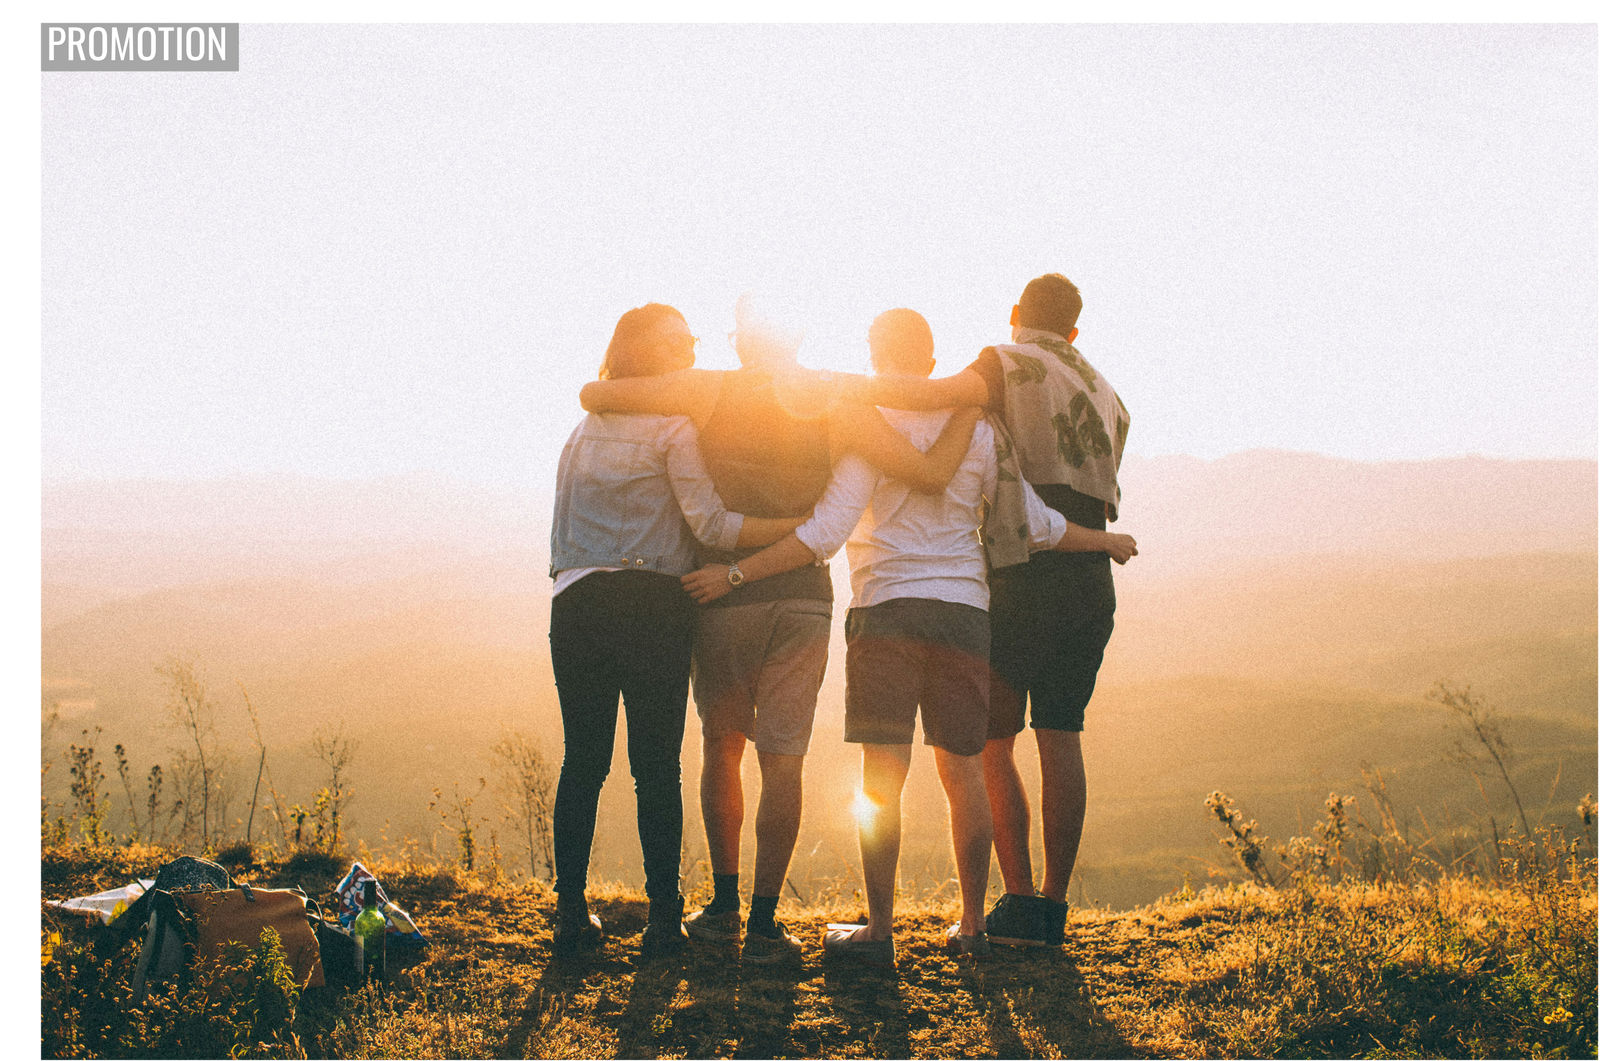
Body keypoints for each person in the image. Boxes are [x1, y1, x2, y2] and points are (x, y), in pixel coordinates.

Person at [682, 308, 1136, 968]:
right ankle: (974, 925)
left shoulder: (867, 426)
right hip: (964, 615)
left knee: (881, 781)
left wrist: (737, 572)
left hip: (885, 611)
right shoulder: (979, 428)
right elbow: (1035, 522)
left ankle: (880, 932)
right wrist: (1105, 540)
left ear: (874, 354)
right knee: (963, 773)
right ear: (931, 361)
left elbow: (825, 532)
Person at [579, 296, 979, 964]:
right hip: (801, 598)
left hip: (720, 594)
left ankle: (723, 905)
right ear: (798, 336)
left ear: (740, 344)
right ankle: (765, 923)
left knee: (722, 746)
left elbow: (600, 392)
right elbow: (924, 465)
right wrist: (968, 399)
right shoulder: (834, 397)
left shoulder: (705, 391)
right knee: (783, 758)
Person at [838, 275, 1133, 947]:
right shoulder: (1108, 392)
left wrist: (837, 387)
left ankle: (1016, 901)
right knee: (1062, 734)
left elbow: (938, 397)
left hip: (1022, 571)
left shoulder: (1004, 362)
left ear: (1015, 315)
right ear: (1076, 330)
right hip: (1088, 574)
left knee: (988, 745)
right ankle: (1050, 909)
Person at [547, 303, 810, 959]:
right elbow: (714, 527)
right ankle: (663, 919)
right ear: (652, 354)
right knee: (654, 766)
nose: (693, 351)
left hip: (575, 602)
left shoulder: (581, 431)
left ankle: (571, 914)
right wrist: (794, 529)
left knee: (583, 760)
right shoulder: (672, 428)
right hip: (652, 605)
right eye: (682, 342)